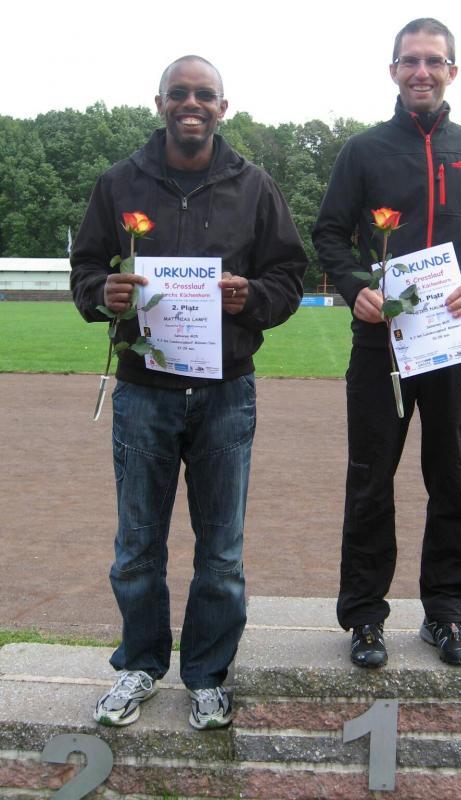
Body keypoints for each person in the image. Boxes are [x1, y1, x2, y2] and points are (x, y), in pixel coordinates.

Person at [71, 55, 307, 728]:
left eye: (205, 94)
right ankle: (141, 666)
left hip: (225, 392)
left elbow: (289, 275)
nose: (191, 103)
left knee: (221, 552)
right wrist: (104, 292)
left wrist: (251, 296)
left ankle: (207, 675)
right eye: (179, 93)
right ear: (160, 103)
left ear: (223, 108)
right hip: (143, 391)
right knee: (137, 546)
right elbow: (84, 269)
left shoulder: (254, 185)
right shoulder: (119, 182)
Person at [312, 18, 461, 668]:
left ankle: (446, 613)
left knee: (451, 481)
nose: (421, 71)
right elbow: (329, 233)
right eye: (410, 61)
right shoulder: (362, 151)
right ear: (393, 70)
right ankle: (364, 618)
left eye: (433, 61)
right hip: (382, 344)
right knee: (370, 481)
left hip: (455, 342)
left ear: (452, 71)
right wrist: (355, 286)